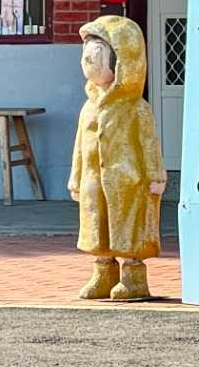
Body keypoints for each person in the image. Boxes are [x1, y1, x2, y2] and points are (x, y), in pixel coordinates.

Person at [70, 15, 167, 301]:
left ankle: (134, 275)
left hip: (128, 180)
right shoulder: (89, 107)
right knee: (97, 225)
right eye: (86, 56)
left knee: (130, 227)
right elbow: (80, 145)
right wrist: (76, 177)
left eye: (97, 56)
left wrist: (155, 175)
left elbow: (148, 142)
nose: (89, 62)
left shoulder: (136, 108)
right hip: (94, 181)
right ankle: (103, 271)